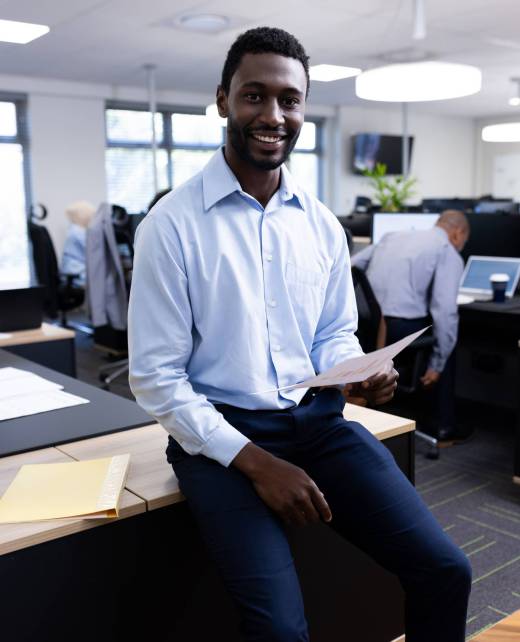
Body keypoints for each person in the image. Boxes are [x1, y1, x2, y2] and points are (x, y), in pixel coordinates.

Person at [128, 27, 471, 642]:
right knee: (281, 631)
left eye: (290, 99)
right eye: (254, 96)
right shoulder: (171, 226)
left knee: (446, 570)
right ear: (222, 101)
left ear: (304, 109)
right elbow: (156, 377)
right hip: (222, 441)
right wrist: (258, 463)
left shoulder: (320, 226)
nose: (273, 114)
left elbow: (332, 334)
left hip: (317, 424)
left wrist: (357, 366)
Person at [351, 209, 470, 442]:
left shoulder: (392, 236)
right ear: (458, 233)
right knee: (447, 338)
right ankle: (443, 428)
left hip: (366, 326)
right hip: (400, 332)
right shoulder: (446, 250)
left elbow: (351, 266)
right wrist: (437, 364)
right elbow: (445, 311)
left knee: (440, 333)